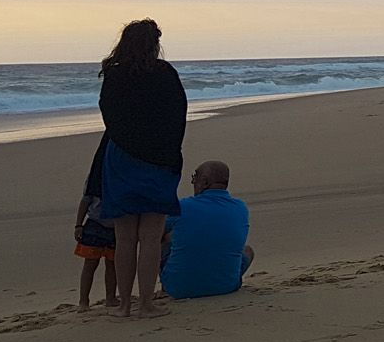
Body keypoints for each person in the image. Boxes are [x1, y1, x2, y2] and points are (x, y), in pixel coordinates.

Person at [97, 18, 187, 317]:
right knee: (150, 236)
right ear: (153, 44)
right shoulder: (165, 74)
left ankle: (124, 305)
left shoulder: (114, 75)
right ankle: (145, 303)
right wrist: (170, 154)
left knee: (124, 237)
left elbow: (109, 117)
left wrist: (127, 142)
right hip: (158, 159)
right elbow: (178, 116)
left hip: (122, 157)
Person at [160, 160, 254, 300]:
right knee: (247, 250)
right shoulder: (241, 208)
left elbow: (156, 233)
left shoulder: (181, 207)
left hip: (179, 289)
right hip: (226, 286)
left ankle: (164, 288)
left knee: (159, 237)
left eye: (194, 178)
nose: (193, 182)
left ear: (204, 182)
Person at [72, 134, 119, 310]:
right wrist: (79, 224)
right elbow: (85, 200)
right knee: (90, 265)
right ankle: (83, 300)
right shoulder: (95, 177)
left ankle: (111, 297)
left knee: (113, 265)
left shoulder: (121, 177)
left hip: (115, 226)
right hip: (95, 224)